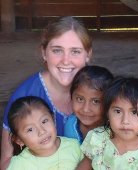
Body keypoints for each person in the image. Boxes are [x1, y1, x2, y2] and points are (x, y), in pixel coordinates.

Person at [1, 16, 92, 170]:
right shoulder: (25, 97)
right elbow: (6, 159)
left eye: (75, 51)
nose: (66, 60)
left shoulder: (98, 89)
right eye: (57, 50)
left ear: (88, 54)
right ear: (44, 53)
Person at [78, 76, 138, 169]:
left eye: (134, 112)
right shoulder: (98, 138)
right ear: (107, 114)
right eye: (118, 111)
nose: (125, 121)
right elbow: (85, 165)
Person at [6, 96, 83, 170]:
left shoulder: (74, 147)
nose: (42, 131)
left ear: (53, 119)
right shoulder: (19, 165)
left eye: (44, 121)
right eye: (30, 129)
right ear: (19, 140)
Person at [64, 65, 114, 144]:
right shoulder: (70, 125)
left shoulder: (115, 132)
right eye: (80, 99)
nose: (86, 109)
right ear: (71, 97)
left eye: (96, 101)